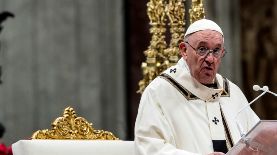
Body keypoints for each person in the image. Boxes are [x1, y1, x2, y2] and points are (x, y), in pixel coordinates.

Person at [134, 19, 259, 155]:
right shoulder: (159, 92)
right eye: (202, 49)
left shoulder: (232, 92)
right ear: (184, 50)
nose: (210, 59)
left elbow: (257, 140)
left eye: (216, 50)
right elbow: (149, 147)